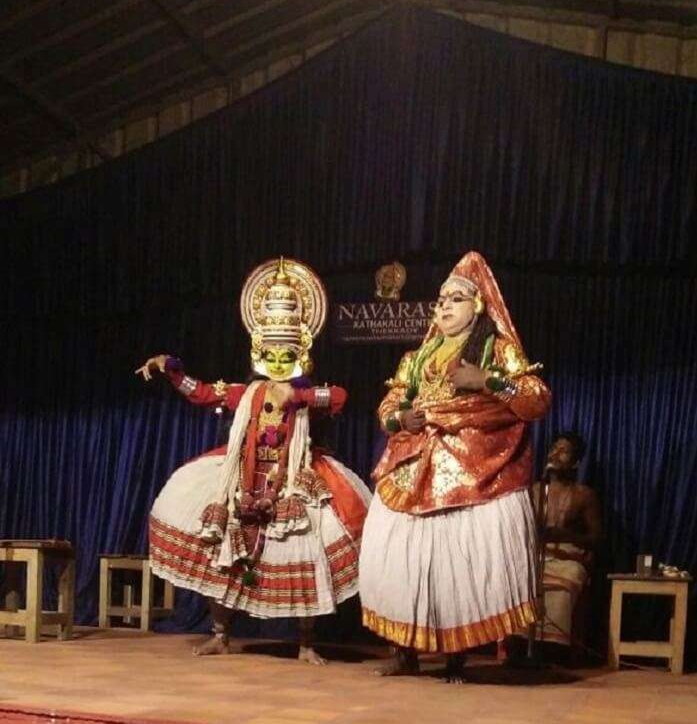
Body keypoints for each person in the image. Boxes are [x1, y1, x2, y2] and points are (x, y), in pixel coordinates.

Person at [136, 257, 370, 662]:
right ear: (260, 352)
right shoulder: (245, 394)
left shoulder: (307, 397)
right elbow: (204, 393)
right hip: (241, 480)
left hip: (294, 480)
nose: (278, 365)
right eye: (272, 356)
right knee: (221, 556)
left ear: (300, 354)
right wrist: (171, 370)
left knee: (304, 555)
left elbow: (341, 398)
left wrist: (295, 396)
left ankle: (306, 643)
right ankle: (220, 633)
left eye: (286, 357)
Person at [359, 251, 551, 682]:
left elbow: (536, 399)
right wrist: (397, 419)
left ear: (478, 305)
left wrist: (486, 381)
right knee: (399, 561)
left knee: (456, 564)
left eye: (456, 299)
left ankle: (456, 659)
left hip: (471, 472)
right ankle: (403, 652)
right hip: (411, 468)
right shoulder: (417, 356)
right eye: (441, 299)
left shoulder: (496, 350)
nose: (443, 306)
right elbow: (390, 403)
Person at [530, 431, 602, 648]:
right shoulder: (534, 490)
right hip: (536, 556)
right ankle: (521, 643)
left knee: (570, 576)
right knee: (515, 578)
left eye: (564, 451)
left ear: (576, 462)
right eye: (554, 448)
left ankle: (554, 646)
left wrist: (565, 536)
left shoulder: (584, 495)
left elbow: (597, 539)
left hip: (568, 559)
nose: (555, 453)